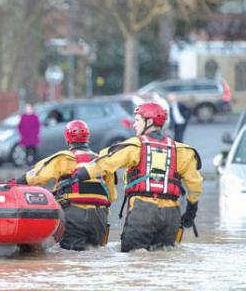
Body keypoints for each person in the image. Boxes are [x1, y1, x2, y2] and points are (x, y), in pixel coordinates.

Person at [71, 102, 203, 252]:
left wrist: (82, 173)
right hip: (171, 214)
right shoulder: (182, 151)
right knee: (162, 261)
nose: (134, 125)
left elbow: (106, 162)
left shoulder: (135, 146)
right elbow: (195, 185)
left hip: (143, 211)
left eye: (138, 120)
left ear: (150, 122)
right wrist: (191, 211)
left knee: (133, 258)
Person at [11, 120, 116, 251]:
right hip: (100, 216)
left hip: (73, 213)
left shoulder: (63, 158)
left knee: (71, 253)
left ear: (67, 138)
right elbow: (112, 195)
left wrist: (16, 182)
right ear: (87, 138)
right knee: (96, 253)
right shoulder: (101, 161)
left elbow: (37, 175)